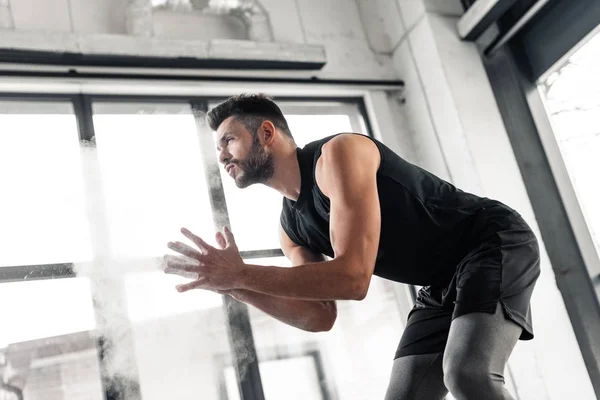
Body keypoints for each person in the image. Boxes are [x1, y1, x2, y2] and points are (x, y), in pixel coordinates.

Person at [164, 93, 540, 400]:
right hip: (440, 282)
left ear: (266, 132)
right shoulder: (291, 230)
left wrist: (242, 272)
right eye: (218, 148)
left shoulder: (339, 154)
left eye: (228, 140)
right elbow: (318, 317)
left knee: (467, 374)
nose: (222, 155)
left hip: (489, 240)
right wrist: (238, 287)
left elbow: (353, 278)